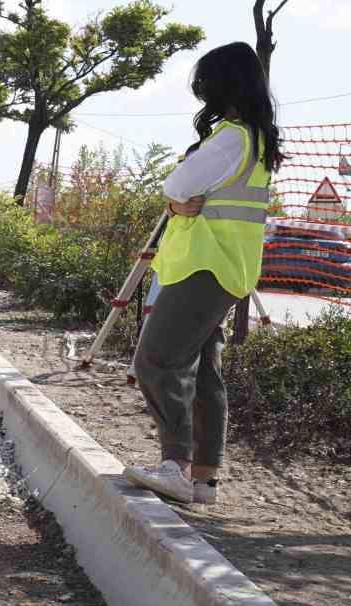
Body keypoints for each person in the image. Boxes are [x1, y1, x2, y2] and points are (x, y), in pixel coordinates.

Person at [124, 42, 280, 505]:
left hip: (203, 267)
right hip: (227, 267)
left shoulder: (231, 136)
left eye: (206, 83)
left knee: (155, 360)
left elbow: (177, 185)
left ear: (222, 84)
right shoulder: (255, 138)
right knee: (206, 374)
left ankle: (175, 465)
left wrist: (174, 200)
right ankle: (204, 480)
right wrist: (179, 200)